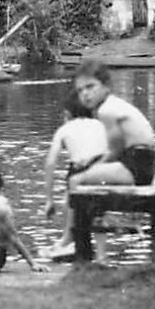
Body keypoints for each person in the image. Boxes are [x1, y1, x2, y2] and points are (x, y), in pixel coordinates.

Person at [41, 91, 111, 257]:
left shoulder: (65, 129)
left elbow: (50, 163)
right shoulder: (100, 125)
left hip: (80, 173)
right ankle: (100, 255)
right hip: (104, 171)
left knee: (72, 195)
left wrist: (49, 200)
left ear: (68, 114)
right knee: (97, 210)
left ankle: (71, 242)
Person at [71, 60, 155, 187]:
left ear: (106, 86)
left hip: (136, 169)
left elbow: (114, 151)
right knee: (84, 167)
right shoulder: (112, 104)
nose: (85, 94)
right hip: (141, 165)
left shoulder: (106, 111)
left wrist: (92, 167)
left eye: (90, 87)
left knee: (75, 179)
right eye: (80, 90)